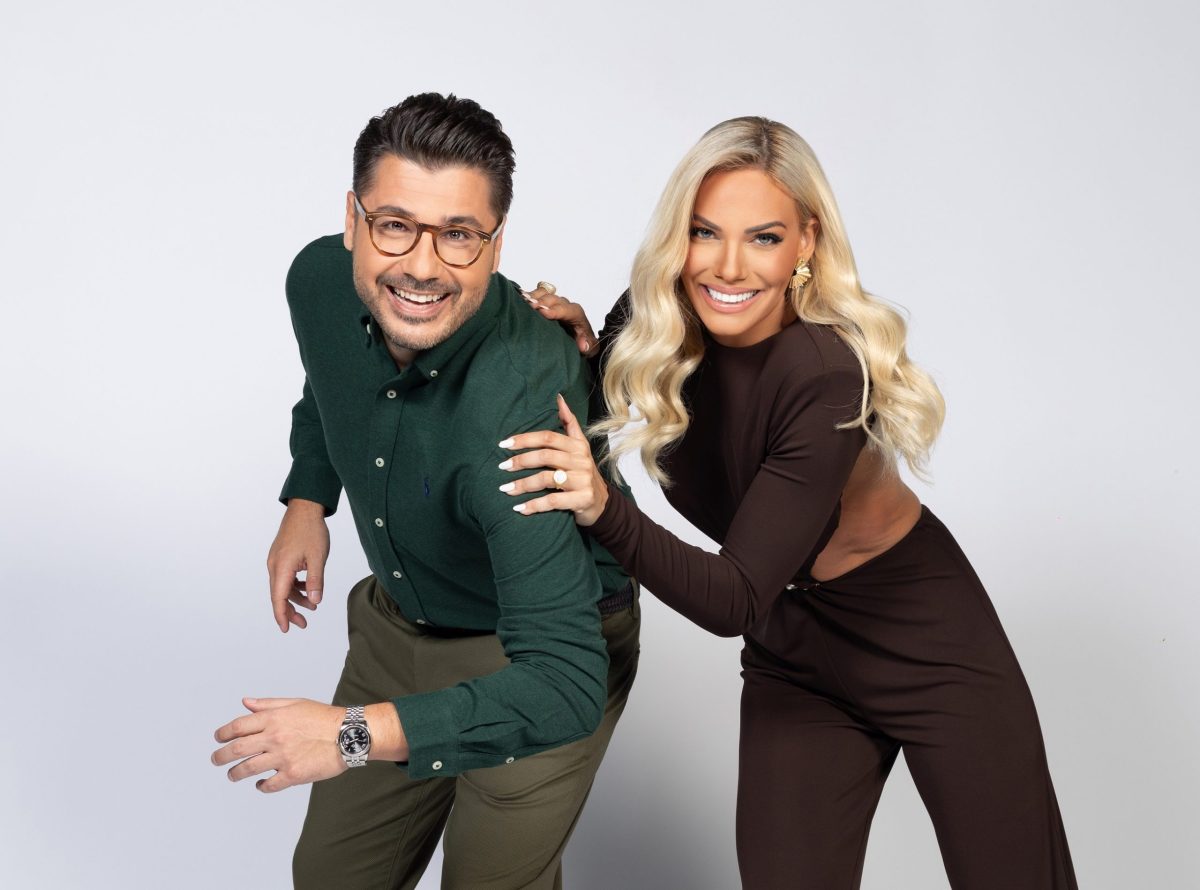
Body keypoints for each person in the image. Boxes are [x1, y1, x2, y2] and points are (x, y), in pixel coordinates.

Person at [499, 117, 1077, 889]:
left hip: (922, 637)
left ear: (806, 242)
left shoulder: (824, 373)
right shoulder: (658, 316)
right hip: (792, 651)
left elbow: (733, 597)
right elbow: (612, 394)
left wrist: (604, 508)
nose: (728, 266)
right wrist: (580, 354)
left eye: (763, 238)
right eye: (705, 232)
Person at [209, 92, 639, 890]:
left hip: (536, 651)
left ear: (496, 246)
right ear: (351, 220)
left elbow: (564, 683)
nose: (421, 266)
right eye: (395, 224)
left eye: (459, 234)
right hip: (401, 620)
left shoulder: (520, 416)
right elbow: (333, 378)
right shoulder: (321, 281)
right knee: (331, 879)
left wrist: (348, 734)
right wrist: (308, 498)